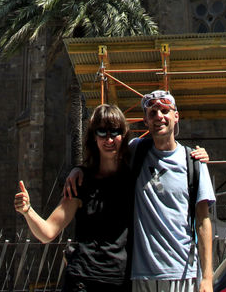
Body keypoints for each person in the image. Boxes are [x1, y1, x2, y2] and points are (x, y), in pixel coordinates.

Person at [15, 103, 134, 292]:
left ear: (124, 135)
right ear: (94, 137)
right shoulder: (81, 182)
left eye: (115, 131)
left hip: (120, 281)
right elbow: (48, 232)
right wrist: (27, 210)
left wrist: (198, 156)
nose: (109, 138)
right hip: (82, 281)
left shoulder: (134, 179)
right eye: (102, 132)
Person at [130, 90, 215, 292]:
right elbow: (104, 153)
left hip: (182, 273)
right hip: (141, 276)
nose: (159, 116)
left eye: (165, 110)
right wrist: (77, 171)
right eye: (152, 113)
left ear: (176, 116)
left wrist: (208, 278)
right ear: (145, 121)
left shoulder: (194, 162)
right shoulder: (135, 151)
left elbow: (203, 221)